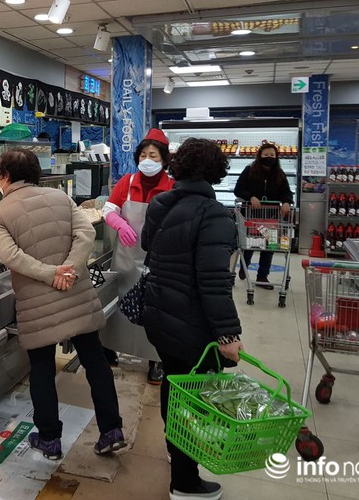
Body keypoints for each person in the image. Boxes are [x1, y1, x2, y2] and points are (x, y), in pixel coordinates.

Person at [0, 148, 125, 461]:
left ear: (4, 176)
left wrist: (50, 274)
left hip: (37, 303)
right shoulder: (60, 197)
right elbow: (86, 233)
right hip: (75, 294)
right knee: (95, 360)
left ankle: (49, 439)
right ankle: (112, 430)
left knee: (42, 368)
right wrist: (70, 270)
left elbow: (11, 257)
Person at [142, 138, 243, 500]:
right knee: (191, 398)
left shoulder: (160, 203)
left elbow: (147, 245)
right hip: (192, 323)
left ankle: (177, 456)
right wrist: (228, 334)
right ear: (216, 171)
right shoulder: (214, 215)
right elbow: (213, 281)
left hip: (160, 314)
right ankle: (185, 483)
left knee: (174, 385)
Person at [101, 128, 174, 384]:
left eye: (153, 155)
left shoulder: (172, 187)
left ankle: (156, 360)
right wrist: (120, 224)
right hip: (126, 256)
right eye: (143, 155)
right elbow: (108, 209)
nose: (147, 160)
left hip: (158, 258)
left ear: (163, 159)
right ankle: (110, 348)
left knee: (155, 310)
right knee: (119, 304)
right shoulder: (127, 182)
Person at [233, 142, 294, 289]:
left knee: (269, 247)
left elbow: (286, 192)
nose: (269, 157)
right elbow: (238, 189)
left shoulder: (279, 174)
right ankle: (244, 266)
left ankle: (262, 276)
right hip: (251, 216)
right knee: (248, 245)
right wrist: (250, 197)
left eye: (272, 155)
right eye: (266, 154)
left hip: (271, 218)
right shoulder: (249, 171)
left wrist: (287, 201)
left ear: (276, 157)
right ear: (259, 156)